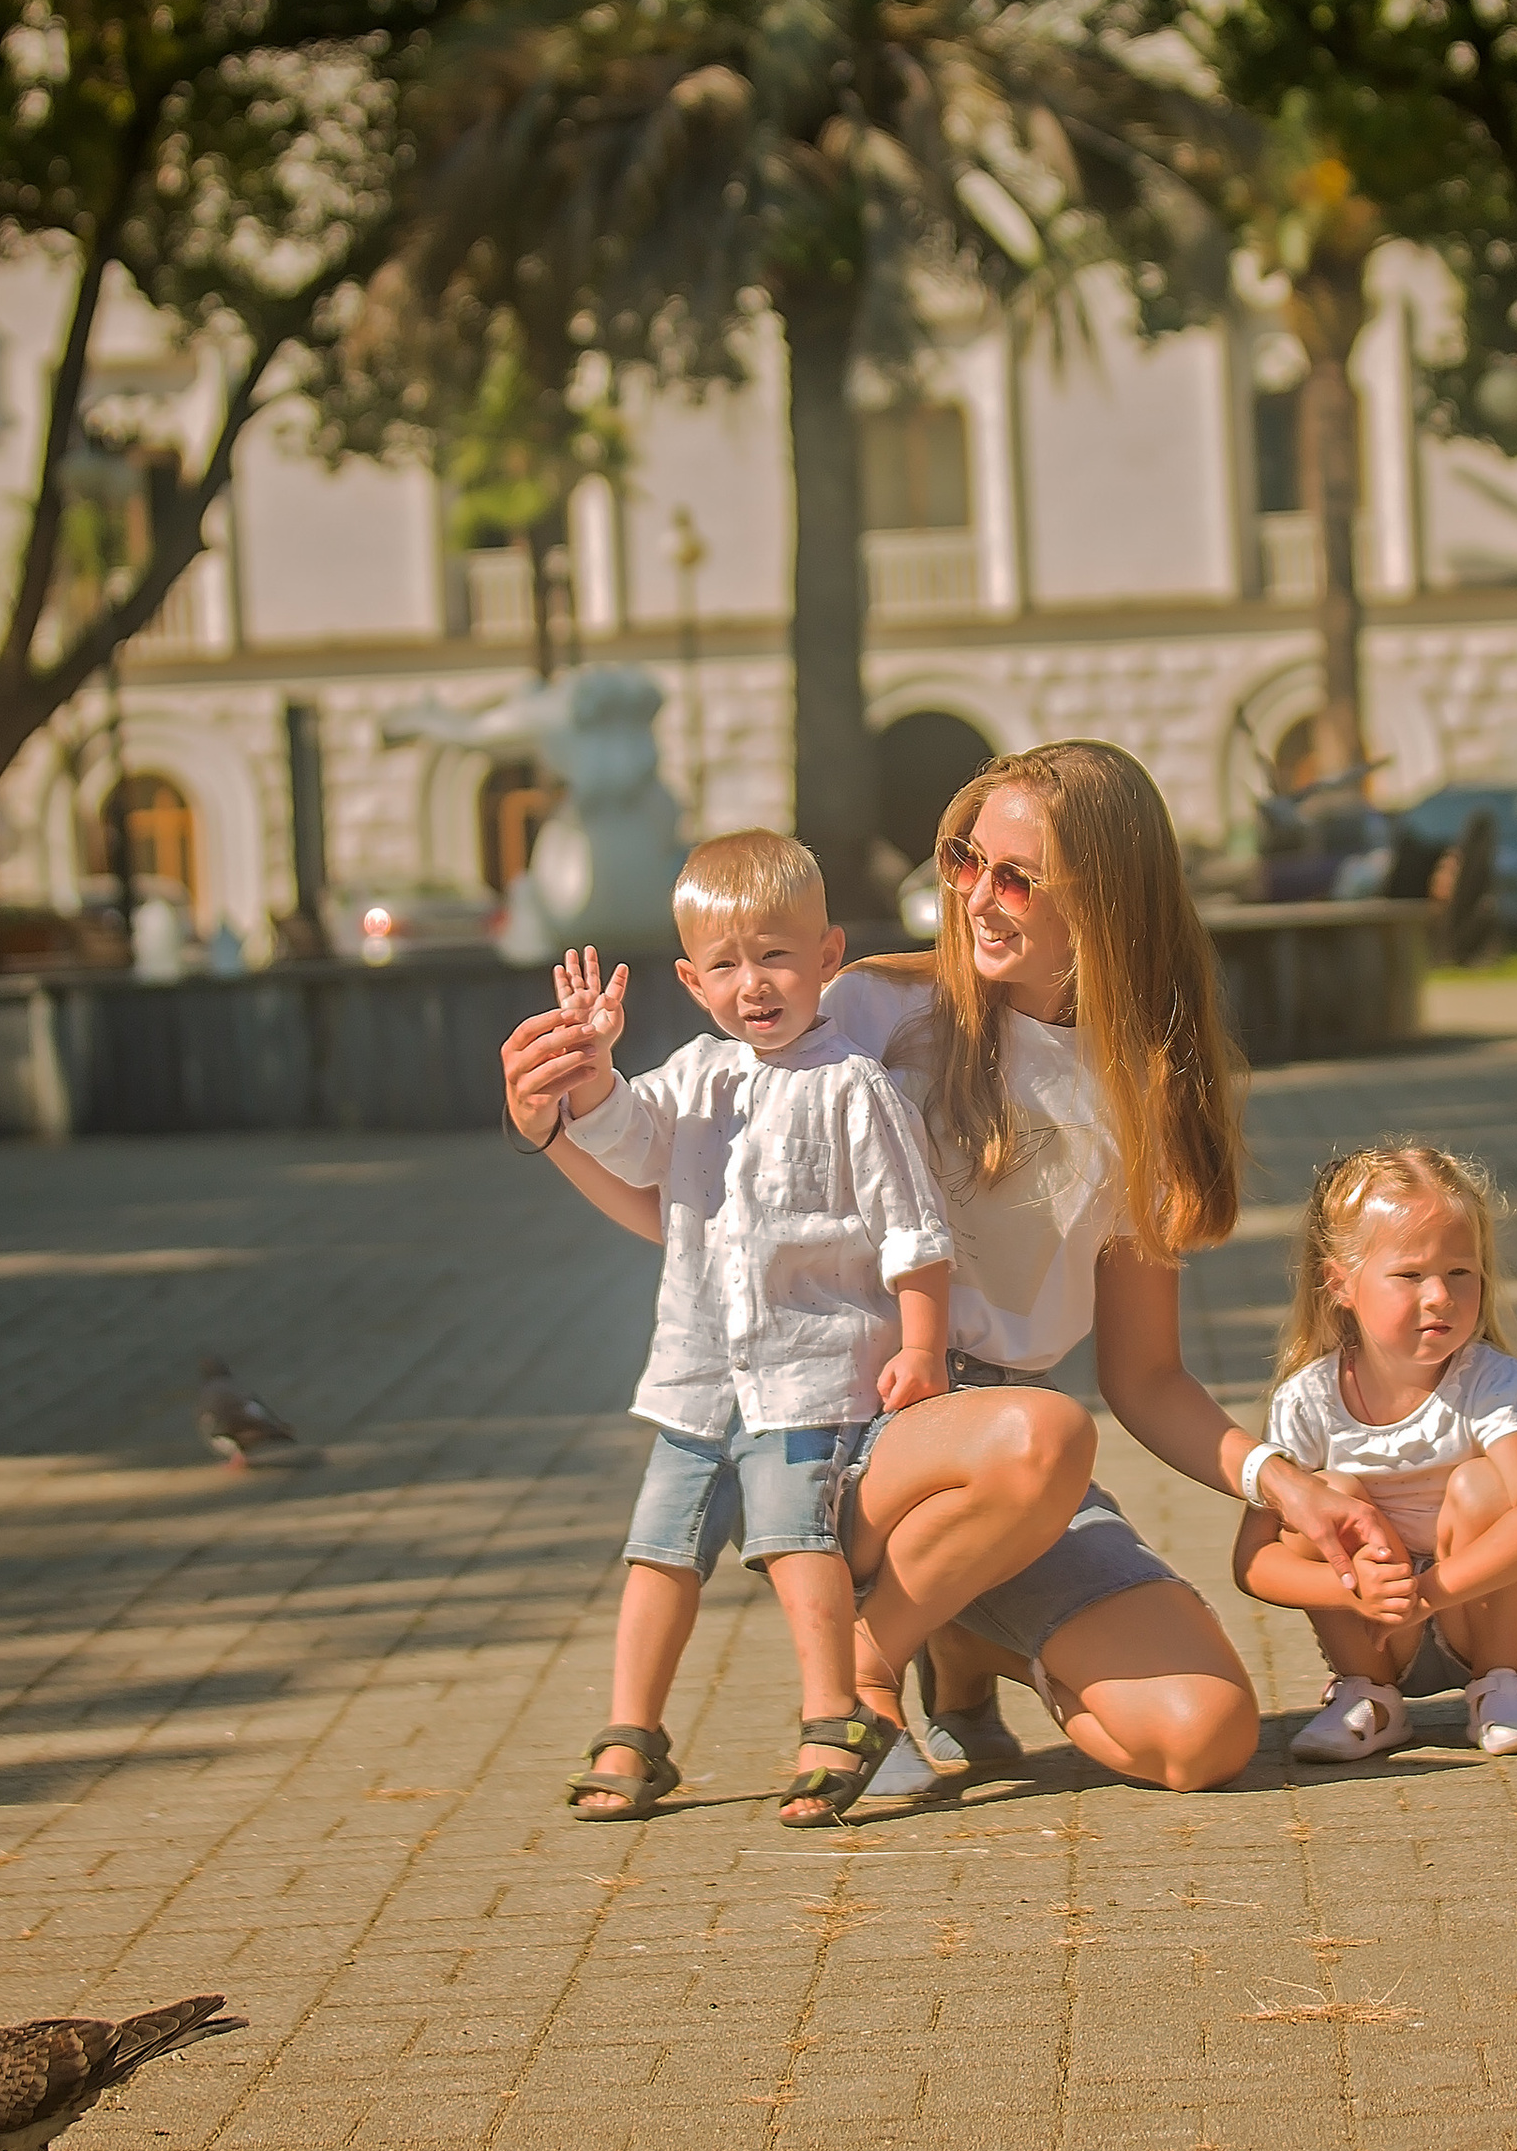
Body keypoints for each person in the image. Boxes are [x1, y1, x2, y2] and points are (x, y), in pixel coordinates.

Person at [500, 741, 1400, 1798]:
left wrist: (1287, 1483)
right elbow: (712, 1220)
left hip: (1007, 1472)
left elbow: (1147, 1378)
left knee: (1203, 1736)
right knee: (1044, 1433)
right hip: (855, 1432)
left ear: (1107, 898)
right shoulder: (875, 1010)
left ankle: (967, 1640)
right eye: (963, 858)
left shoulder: (1146, 1089)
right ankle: (861, 1674)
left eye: (1016, 876)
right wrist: (555, 1131)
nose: (974, 893)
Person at [531, 830, 955, 1829]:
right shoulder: (697, 1073)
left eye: (775, 954)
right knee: (659, 1551)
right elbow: (631, 1141)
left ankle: (832, 1716)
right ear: (690, 979)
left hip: (806, 1375)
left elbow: (914, 1231)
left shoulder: (853, 1085)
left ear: (826, 957)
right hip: (693, 1373)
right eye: (724, 964)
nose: (752, 983)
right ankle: (632, 1731)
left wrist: (922, 1343)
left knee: (791, 1538)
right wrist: (590, 1071)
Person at [1236, 1144, 1517, 1763]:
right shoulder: (1308, 1398)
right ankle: (1368, 1696)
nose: (1440, 1297)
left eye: (1460, 1273)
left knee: (1482, 1485)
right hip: (1376, 1629)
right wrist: (1353, 1589)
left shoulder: (1489, 1381)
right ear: (1340, 1281)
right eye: (1410, 1274)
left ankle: (1501, 1688)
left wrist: (1426, 1596)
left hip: (1486, 1615)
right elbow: (1254, 1561)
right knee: (1327, 1496)